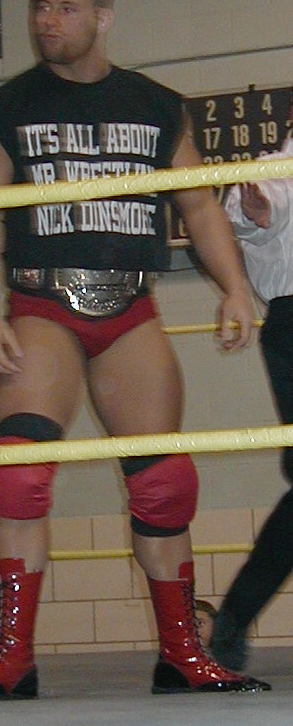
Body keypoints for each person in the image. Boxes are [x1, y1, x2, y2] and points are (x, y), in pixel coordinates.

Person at [0, 0, 269, 701]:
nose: (47, 21)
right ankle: (12, 659)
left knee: (165, 483)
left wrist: (235, 287)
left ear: (102, 17)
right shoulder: (4, 108)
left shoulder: (156, 106)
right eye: (39, 6)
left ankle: (182, 655)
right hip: (41, 306)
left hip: (130, 308)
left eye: (65, 8)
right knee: (18, 475)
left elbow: (198, 205)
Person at [212, 138, 293, 671]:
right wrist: (255, 211)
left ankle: (235, 617)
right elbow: (254, 212)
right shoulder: (272, 170)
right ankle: (235, 616)